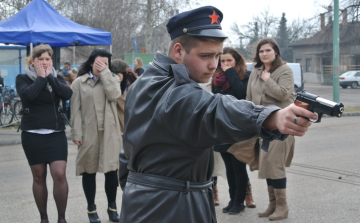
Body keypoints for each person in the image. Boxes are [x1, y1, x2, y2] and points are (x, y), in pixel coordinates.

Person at [120, 6, 316, 223]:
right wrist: (272, 117)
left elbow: (126, 152)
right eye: (205, 56)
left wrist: (139, 189)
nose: (214, 65)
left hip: (141, 202)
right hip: (175, 207)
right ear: (178, 51)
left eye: (217, 56)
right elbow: (215, 107)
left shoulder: (143, 83)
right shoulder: (178, 92)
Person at [15, 44, 73, 223]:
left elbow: (67, 93)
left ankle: (61, 218)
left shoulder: (57, 77)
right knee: (39, 176)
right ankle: (44, 218)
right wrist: (40, 78)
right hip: (32, 134)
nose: (45, 62)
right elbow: (28, 97)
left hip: (55, 133)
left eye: (48, 59)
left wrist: (50, 78)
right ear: (34, 61)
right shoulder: (23, 77)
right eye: (41, 59)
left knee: (59, 174)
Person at [246, 38, 296, 221]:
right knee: (266, 165)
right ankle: (272, 204)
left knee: (275, 165)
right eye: (261, 51)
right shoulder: (256, 71)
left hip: (280, 126)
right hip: (261, 125)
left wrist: (268, 80)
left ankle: (282, 207)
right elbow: (249, 97)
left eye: (268, 50)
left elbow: (284, 94)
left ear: (276, 51)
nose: (264, 54)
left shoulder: (284, 70)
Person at [70, 49, 122, 223]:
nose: (102, 66)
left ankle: (112, 208)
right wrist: (76, 132)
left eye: (106, 63)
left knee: (110, 171)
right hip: (88, 133)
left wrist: (106, 73)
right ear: (91, 63)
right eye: (99, 62)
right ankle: (91, 208)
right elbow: (75, 111)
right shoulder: (79, 83)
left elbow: (114, 95)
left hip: (110, 133)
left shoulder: (113, 79)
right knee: (88, 170)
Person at [212, 46, 255, 215]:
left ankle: (240, 201)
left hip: (239, 128)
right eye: (222, 61)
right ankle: (232, 199)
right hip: (223, 127)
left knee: (238, 167)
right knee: (229, 167)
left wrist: (230, 73)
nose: (225, 63)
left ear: (237, 61)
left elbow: (241, 93)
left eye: (229, 60)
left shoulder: (246, 77)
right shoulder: (218, 79)